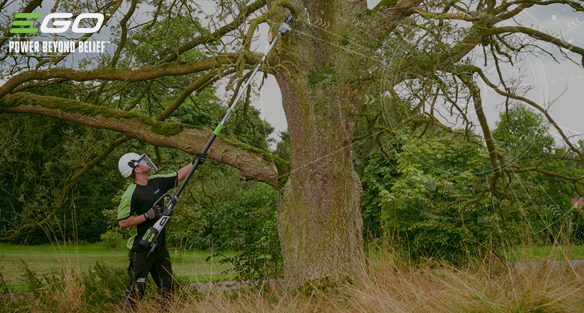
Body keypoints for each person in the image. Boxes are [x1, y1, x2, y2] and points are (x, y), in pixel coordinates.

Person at [117, 152, 204, 311]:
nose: (145, 161)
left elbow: (178, 176)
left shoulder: (157, 182)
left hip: (160, 246)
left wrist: (195, 162)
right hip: (141, 248)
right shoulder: (131, 193)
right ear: (136, 169)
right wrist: (146, 215)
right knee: (138, 289)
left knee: (167, 286)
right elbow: (123, 222)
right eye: (141, 160)